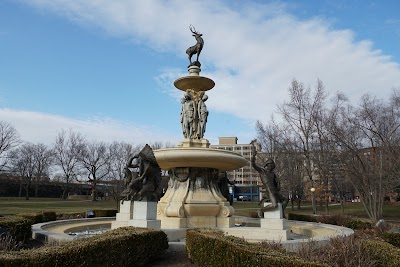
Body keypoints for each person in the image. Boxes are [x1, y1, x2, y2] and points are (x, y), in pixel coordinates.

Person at [251, 150, 288, 218]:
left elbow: (276, 183)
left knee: (286, 199)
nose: (272, 166)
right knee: (275, 205)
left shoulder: (273, 174)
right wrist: (253, 156)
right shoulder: (262, 171)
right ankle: (261, 210)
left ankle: (281, 212)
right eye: (271, 164)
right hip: (269, 192)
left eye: (273, 165)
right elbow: (253, 165)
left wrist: (278, 185)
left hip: (275, 191)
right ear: (267, 165)